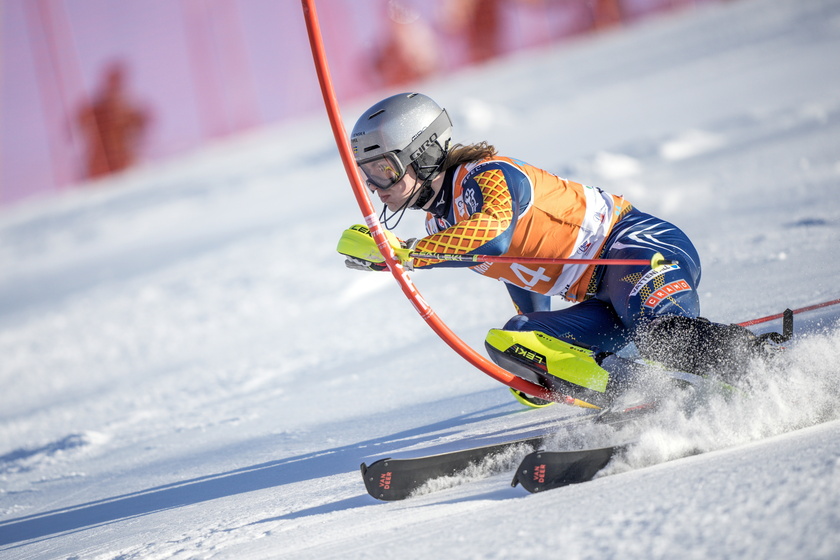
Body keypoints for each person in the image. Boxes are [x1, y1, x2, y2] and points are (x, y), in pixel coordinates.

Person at [338, 92, 776, 408]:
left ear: (424, 154)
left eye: (385, 169)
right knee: (515, 338)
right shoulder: (440, 220)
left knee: (662, 337)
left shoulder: (488, 174)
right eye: (369, 175)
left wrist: (412, 252)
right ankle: (652, 399)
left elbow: (494, 234)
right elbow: (518, 272)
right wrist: (540, 369)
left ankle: (775, 369)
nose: (378, 188)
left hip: (635, 248)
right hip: (599, 296)